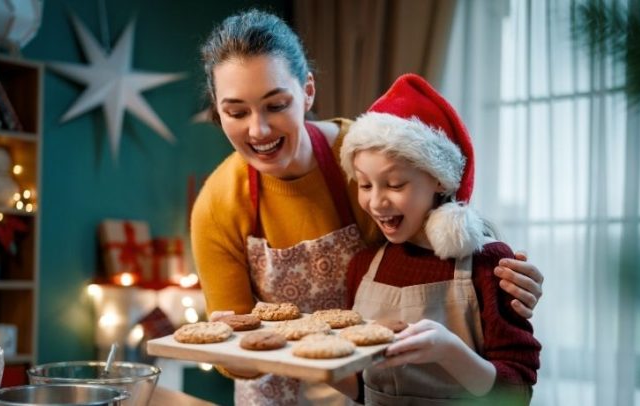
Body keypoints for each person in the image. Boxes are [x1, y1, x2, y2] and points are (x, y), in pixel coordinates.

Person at [190, 9, 543, 405]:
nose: (258, 129)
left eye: (276, 105)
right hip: (276, 389)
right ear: (219, 113)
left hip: (368, 387)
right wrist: (234, 341)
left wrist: (505, 279)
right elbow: (234, 348)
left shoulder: (363, 155)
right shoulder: (218, 204)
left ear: (307, 91)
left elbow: (439, 221)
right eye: (236, 112)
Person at [336, 73, 541, 404]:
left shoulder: (488, 263)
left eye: (395, 184)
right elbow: (363, 389)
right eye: (364, 184)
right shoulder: (362, 266)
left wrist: (448, 350)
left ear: (440, 182)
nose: (376, 202)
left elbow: (516, 393)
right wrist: (304, 364)